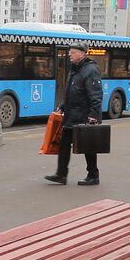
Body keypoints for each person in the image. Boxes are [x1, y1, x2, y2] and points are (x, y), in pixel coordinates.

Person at [45, 43, 103, 186]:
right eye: (70, 52)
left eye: (73, 52)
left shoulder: (90, 70)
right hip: (72, 115)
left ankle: (93, 175)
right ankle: (61, 174)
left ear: (82, 53)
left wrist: (93, 115)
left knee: (88, 147)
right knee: (64, 144)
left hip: (84, 116)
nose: (69, 55)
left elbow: (96, 95)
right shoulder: (75, 70)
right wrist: (63, 107)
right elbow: (73, 93)